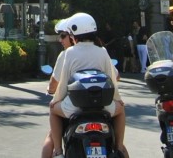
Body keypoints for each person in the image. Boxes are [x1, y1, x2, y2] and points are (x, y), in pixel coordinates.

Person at [48, 13, 128, 158]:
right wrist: (118, 98)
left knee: (53, 111)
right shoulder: (102, 51)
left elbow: (63, 82)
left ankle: (59, 152)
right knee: (121, 110)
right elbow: (112, 77)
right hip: (103, 105)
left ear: (74, 34)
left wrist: (55, 101)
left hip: (74, 106)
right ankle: (119, 148)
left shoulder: (70, 53)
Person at [40, 18, 76, 158]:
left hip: (71, 107)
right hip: (101, 107)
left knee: (52, 128)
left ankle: (58, 152)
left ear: (72, 36)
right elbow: (115, 77)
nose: (60, 40)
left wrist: (50, 89)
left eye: (62, 36)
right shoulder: (100, 50)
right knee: (118, 144)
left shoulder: (66, 54)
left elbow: (54, 83)